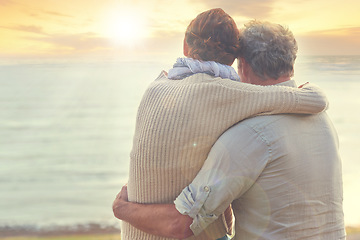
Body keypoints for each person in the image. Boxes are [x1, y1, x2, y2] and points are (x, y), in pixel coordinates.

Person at [116, 9, 330, 240]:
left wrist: (122, 208)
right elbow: (307, 100)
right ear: (234, 58)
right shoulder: (227, 93)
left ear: (185, 46)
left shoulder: (156, 86)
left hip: (133, 232)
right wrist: (314, 90)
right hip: (177, 229)